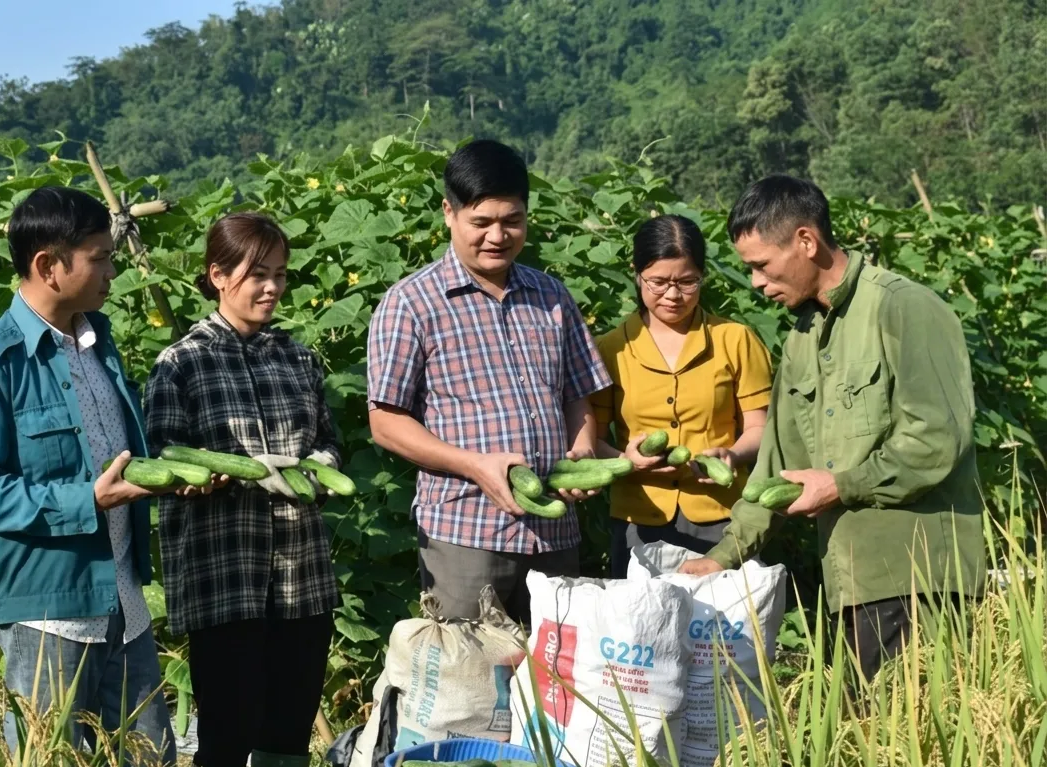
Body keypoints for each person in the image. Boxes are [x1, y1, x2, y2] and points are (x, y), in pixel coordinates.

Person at [0, 185, 204, 767]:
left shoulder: (96, 346)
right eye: (99, 257)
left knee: (150, 760)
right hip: (49, 604)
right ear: (48, 266)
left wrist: (164, 479)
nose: (112, 270)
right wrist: (84, 500)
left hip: (120, 591)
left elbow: (117, 455)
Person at [679, 175, 986, 683]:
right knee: (871, 738)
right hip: (850, 579)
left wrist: (841, 484)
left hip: (919, 575)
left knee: (921, 740)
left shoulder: (903, 307)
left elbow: (936, 439)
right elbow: (777, 466)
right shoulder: (803, 336)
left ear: (806, 241)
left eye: (761, 265)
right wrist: (723, 556)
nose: (755, 282)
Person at [143, 212, 342, 767]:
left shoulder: (299, 359)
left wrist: (319, 469)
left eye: (280, 275)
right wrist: (191, 475)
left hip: (301, 577)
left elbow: (328, 444)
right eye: (257, 275)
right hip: (222, 577)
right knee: (227, 733)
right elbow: (161, 455)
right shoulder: (181, 364)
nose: (272, 289)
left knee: (288, 727)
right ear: (218, 276)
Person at [366, 138, 613, 627]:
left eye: (512, 220)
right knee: (471, 684)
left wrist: (582, 455)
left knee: (554, 681)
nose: (497, 236)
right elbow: (386, 422)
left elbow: (577, 397)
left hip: (554, 533)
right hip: (465, 533)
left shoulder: (552, 296)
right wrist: (475, 466)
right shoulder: (411, 304)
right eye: (481, 222)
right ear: (449, 214)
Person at [590, 214, 773, 576]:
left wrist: (733, 453)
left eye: (688, 282)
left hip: (721, 515)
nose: (673, 295)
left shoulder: (735, 340)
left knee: (719, 630)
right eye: (658, 282)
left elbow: (760, 427)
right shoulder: (609, 349)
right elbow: (590, 439)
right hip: (638, 519)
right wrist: (624, 459)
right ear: (636, 274)